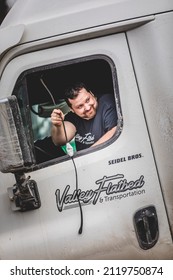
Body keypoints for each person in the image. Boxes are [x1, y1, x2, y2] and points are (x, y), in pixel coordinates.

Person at [51, 82, 118, 151]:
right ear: (72, 109)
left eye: (87, 100)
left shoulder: (107, 102)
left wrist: (87, 157)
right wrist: (58, 126)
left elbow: (114, 132)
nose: (87, 107)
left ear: (91, 93)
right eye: (80, 106)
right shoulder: (72, 118)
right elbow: (59, 141)